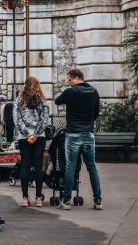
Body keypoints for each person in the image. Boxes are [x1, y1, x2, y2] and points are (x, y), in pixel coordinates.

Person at [55, 68, 102, 210]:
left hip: (73, 134)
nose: (68, 83)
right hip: (88, 134)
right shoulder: (94, 92)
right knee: (92, 167)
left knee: (70, 168)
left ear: (76, 78)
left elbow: (57, 101)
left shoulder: (70, 92)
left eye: (69, 80)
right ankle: (98, 201)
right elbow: (96, 113)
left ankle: (67, 202)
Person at [13, 76, 49, 207]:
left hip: (24, 138)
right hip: (40, 137)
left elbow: (17, 121)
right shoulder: (42, 100)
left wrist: (27, 134)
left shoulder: (19, 100)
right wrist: (36, 134)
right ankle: (39, 198)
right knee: (38, 166)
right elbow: (44, 120)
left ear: (25, 86)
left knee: (25, 166)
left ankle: (24, 198)